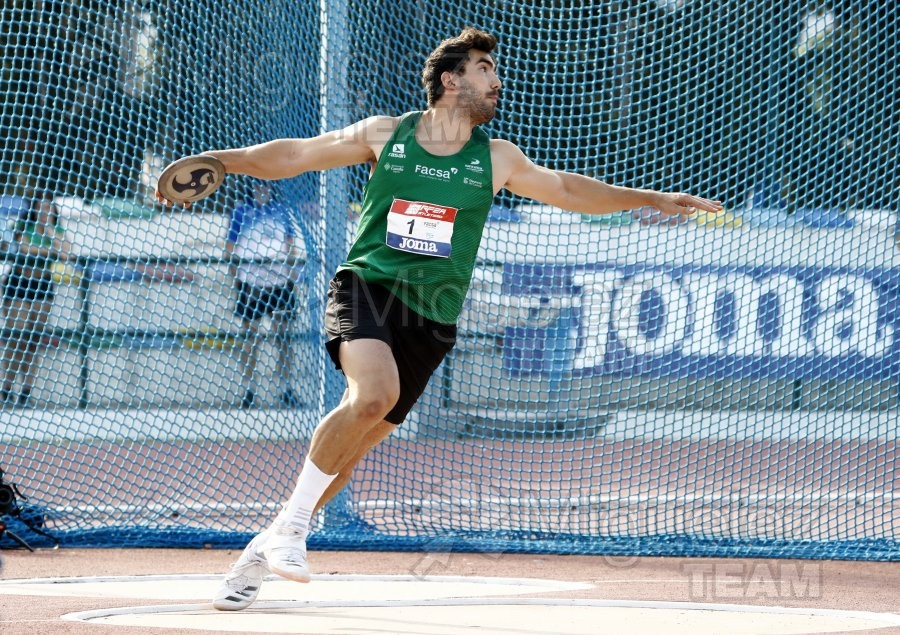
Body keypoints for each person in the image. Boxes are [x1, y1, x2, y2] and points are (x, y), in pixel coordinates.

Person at [157, 27, 723, 611]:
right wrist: (224, 160)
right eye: (484, 69)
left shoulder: (497, 157)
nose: (496, 80)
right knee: (373, 395)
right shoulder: (389, 133)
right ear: (451, 80)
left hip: (433, 316)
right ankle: (295, 532)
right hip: (368, 286)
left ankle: (264, 546)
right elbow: (299, 153)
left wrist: (648, 198)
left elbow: (567, 190)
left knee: (352, 448)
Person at [226, 181, 300, 409]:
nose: (262, 191)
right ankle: (249, 389)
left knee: (284, 336)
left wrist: (291, 272)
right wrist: (235, 275)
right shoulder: (241, 211)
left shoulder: (280, 210)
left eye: (266, 187)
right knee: (250, 336)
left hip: (279, 281)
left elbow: (290, 244)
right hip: (252, 281)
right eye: (257, 186)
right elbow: (230, 244)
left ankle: (285, 388)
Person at [1, 193, 70, 407]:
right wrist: (50, 250)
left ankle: (26, 391)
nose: (44, 212)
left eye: (48, 208)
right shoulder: (24, 227)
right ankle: (6, 388)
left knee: (33, 340)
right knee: (16, 336)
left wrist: (48, 229)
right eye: (41, 208)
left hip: (42, 286)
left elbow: (67, 253)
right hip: (20, 283)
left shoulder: (56, 231)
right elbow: (25, 249)